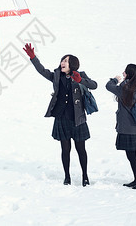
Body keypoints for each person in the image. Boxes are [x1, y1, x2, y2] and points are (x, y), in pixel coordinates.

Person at [23, 43, 97, 186]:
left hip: (78, 119)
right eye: (62, 60)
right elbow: (42, 71)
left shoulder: (80, 75)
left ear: (72, 64)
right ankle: (67, 176)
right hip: (61, 118)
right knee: (65, 149)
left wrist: (80, 80)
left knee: (81, 149)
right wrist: (33, 57)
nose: (63, 63)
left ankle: (85, 175)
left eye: (66, 61)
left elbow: (94, 85)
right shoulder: (57, 76)